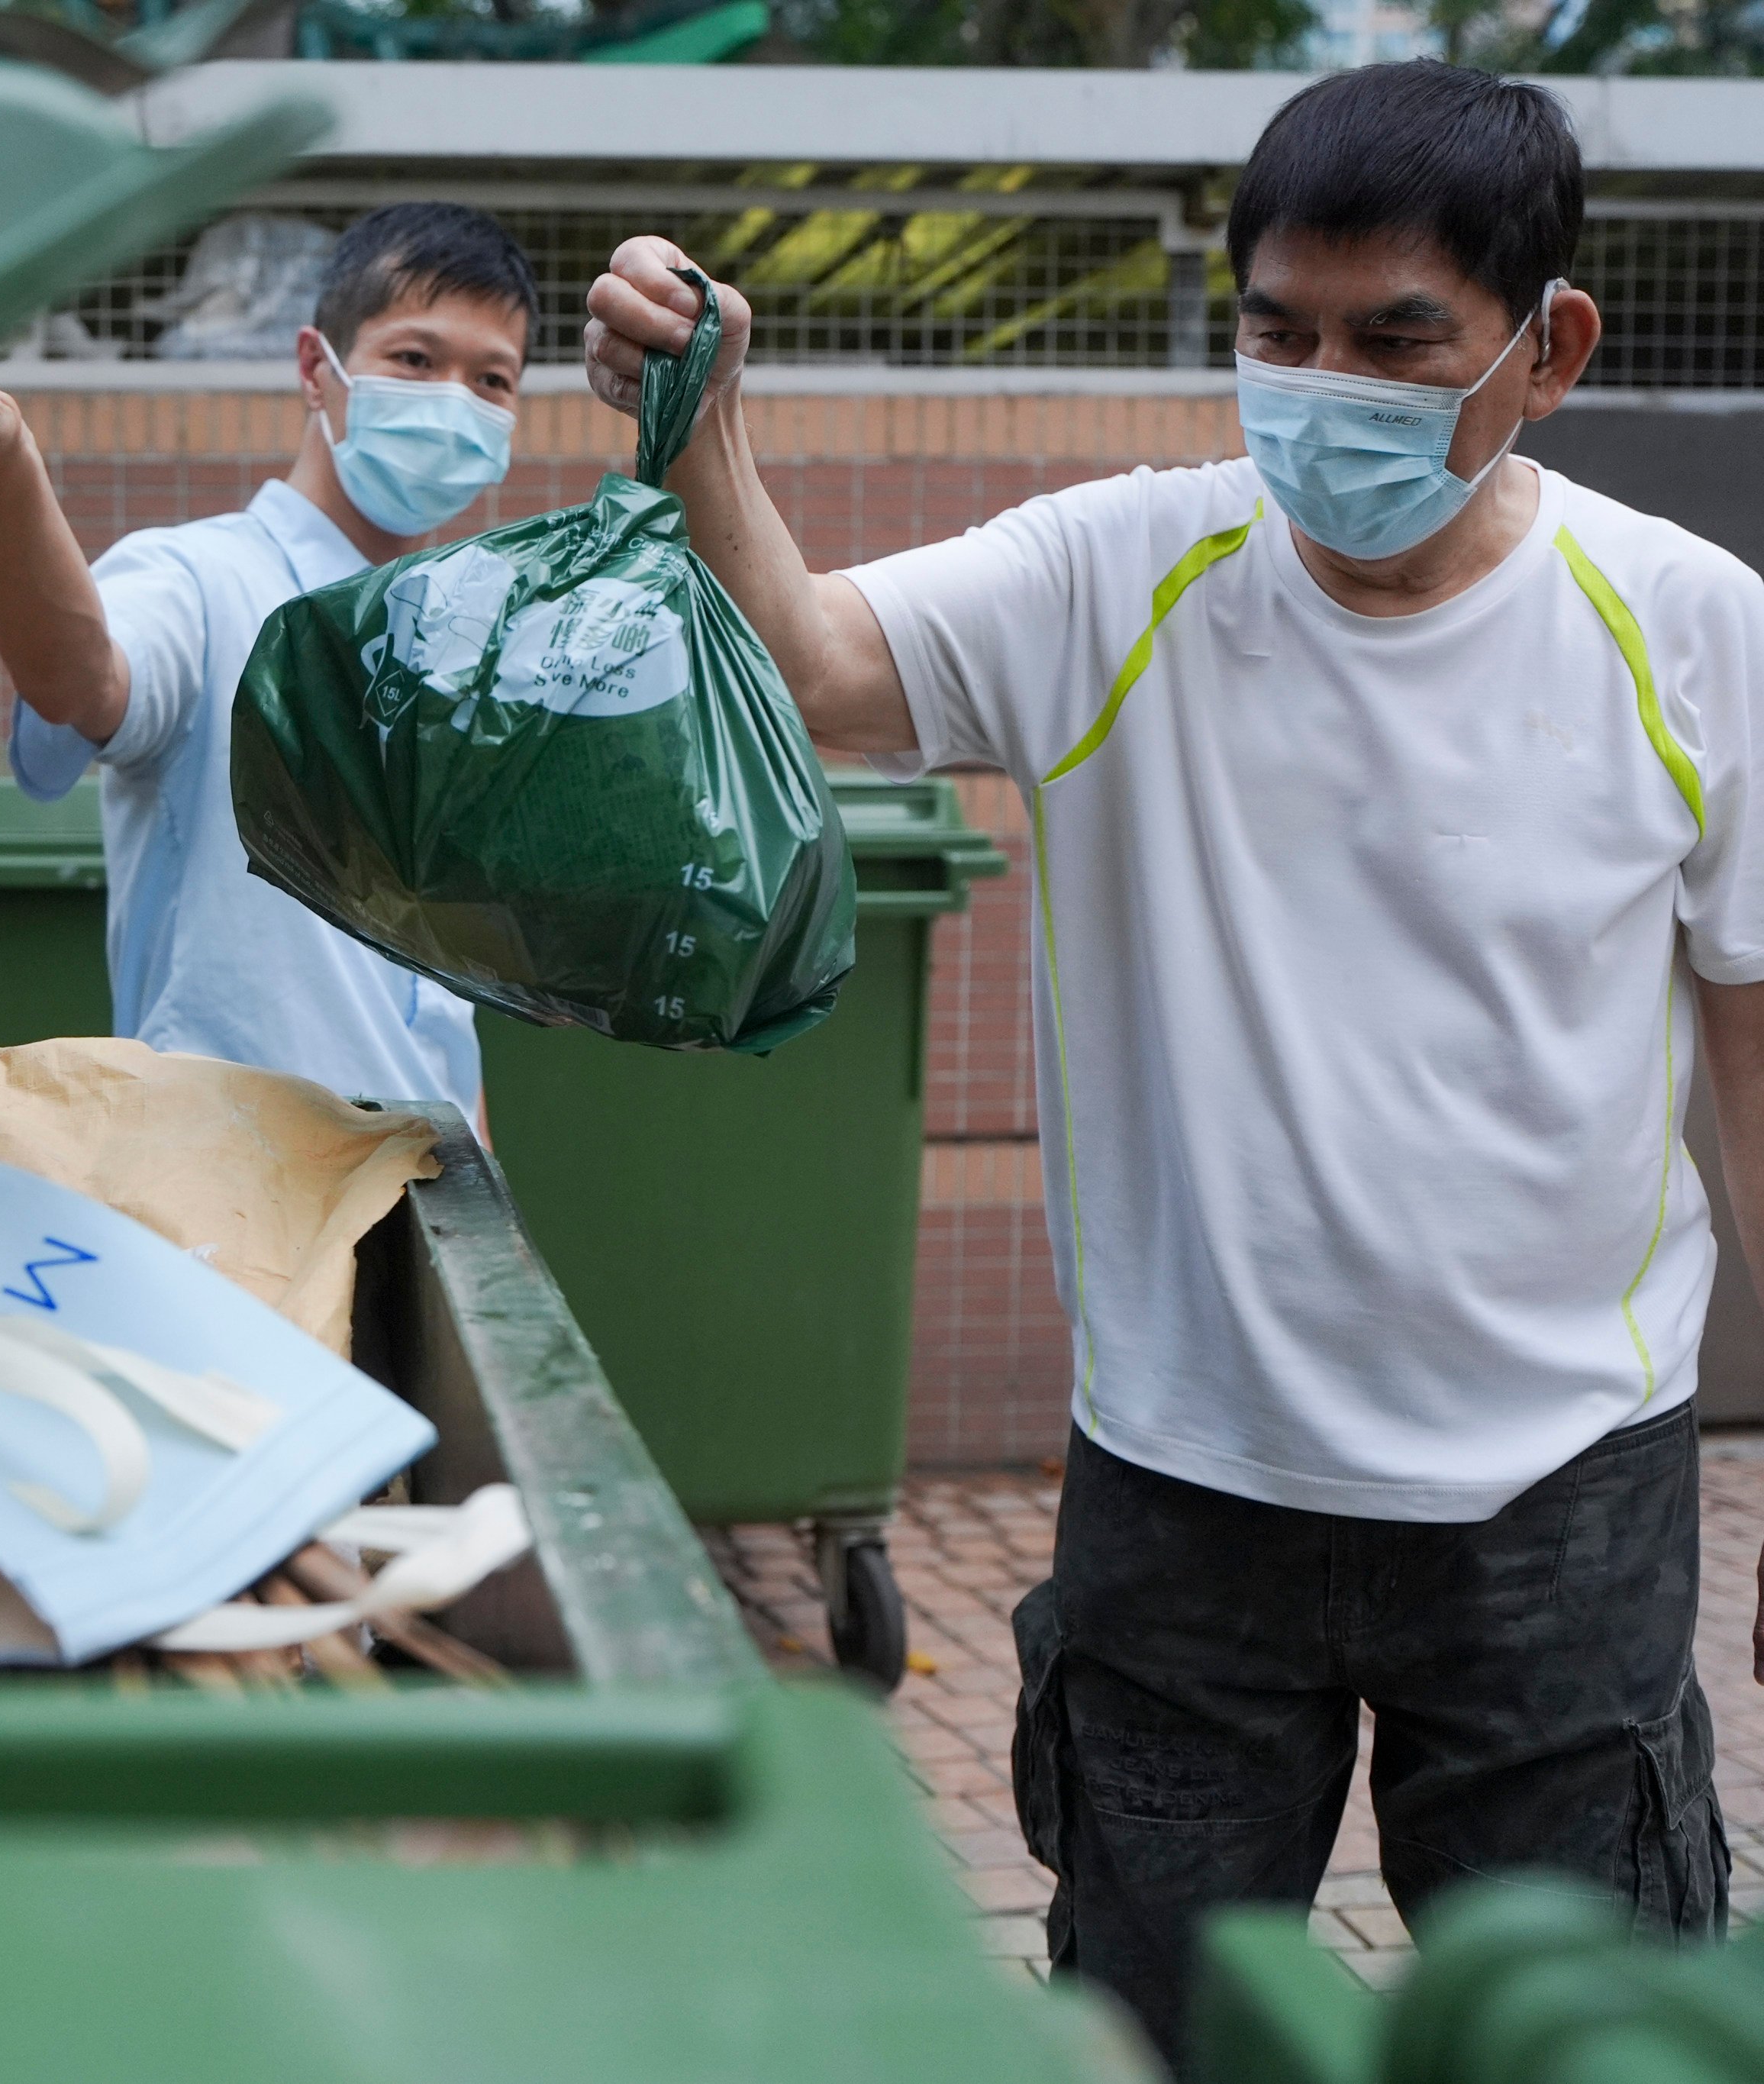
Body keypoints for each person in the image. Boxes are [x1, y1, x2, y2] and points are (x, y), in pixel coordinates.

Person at [583, 62, 1748, 2060]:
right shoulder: (1118, 572)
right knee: (1142, 2020)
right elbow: (807, 659)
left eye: (1395, 345)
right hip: (1182, 1480)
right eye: (1272, 335)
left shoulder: (1682, 627)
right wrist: (703, 425)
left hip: (1558, 1493)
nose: (1320, 391)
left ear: (1540, 348)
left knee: (1579, 2028)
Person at [0, 205, 537, 1121]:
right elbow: (79, 674)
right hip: (236, 1194)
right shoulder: (202, 581)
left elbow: (440, 994)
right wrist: (2, 462)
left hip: (426, 1194)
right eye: (415, 361)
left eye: (492, 379)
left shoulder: (462, 644)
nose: (455, 400)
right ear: (316, 369)